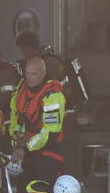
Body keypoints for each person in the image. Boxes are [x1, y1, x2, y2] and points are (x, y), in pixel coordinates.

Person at [9, 57, 67, 185]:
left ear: (43, 74)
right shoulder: (21, 89)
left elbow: (49, 134)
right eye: (27, 73)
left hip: (49, 151)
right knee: (22, 189)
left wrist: (25, 149)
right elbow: (16, 117)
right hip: (27, 150)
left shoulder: (53, 96)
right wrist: (15, 142)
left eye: (33, 74)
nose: (29, 77)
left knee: (39, 188)